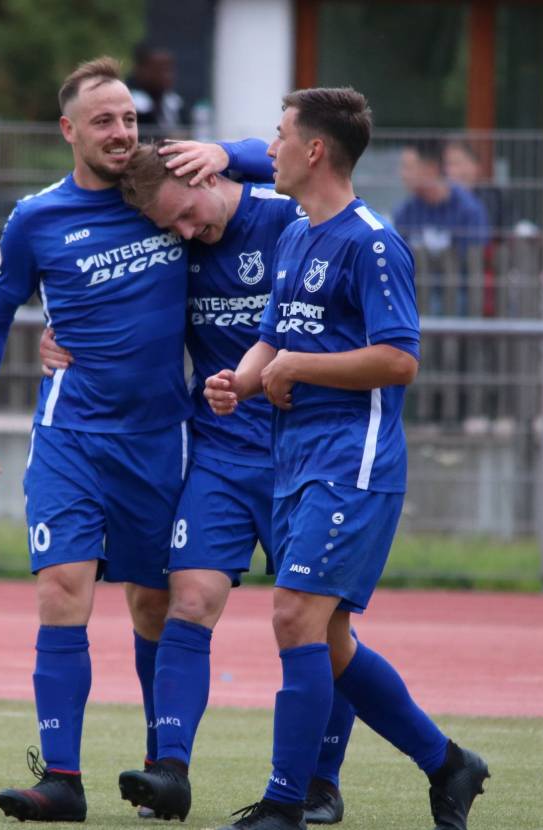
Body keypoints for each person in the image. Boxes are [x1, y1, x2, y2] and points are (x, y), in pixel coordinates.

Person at [0, 56, 271, 824]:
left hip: (165, 439)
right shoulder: (36, 218)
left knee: (155, 604)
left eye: (130, 117)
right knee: (62, 587)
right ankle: (61, 778)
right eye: (104, 120)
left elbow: (289, 160)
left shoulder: (167, 195)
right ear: (70, 131)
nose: (122, 131)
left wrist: (227, 152)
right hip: (71, 435)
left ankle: (168, 769)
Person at [39, 143, 356, 825]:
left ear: (211, 176)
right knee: (188, 597)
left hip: (306, 456)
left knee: (323, 629)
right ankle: (170, 769)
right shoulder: (175, 244)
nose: (183, 233)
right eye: (169, 226)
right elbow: (123, 310)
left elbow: (324, 162)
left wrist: (236, 150)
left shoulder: (290, 220)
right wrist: (58, 337)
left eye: (185, 215)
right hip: (216, 454)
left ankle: (322, 783)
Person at [203, 88, 490, 830]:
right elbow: (277, 333)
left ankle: (286, 803)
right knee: (327, 639)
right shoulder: (298, 233)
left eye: (278, 136)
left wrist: (296, 367)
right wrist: (240, 378)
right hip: (295, 459)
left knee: (295, 617)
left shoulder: (372, 242)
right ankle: (448, 763)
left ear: (315, 150)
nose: (268, 149)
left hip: (352, 465)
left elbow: (399, 360)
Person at [394, 139, 489, 317]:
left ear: (431, 168)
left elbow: (474, 261)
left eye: (408, 167)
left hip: (460, 292)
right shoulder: (404, 212)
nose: (402, 174)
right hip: (417, 292)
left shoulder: (468, 209)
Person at [442, 139, 514, 241]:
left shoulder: (494, 197)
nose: (448, 170)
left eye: (455, 163)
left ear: (475, 166)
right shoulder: (440, 200)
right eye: (447, 164)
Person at [128, 43, 185, 137]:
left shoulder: (175, 103)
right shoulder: (131, 104)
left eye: (169, 69)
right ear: (140, 69)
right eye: (159, 69)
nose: (168, 76)